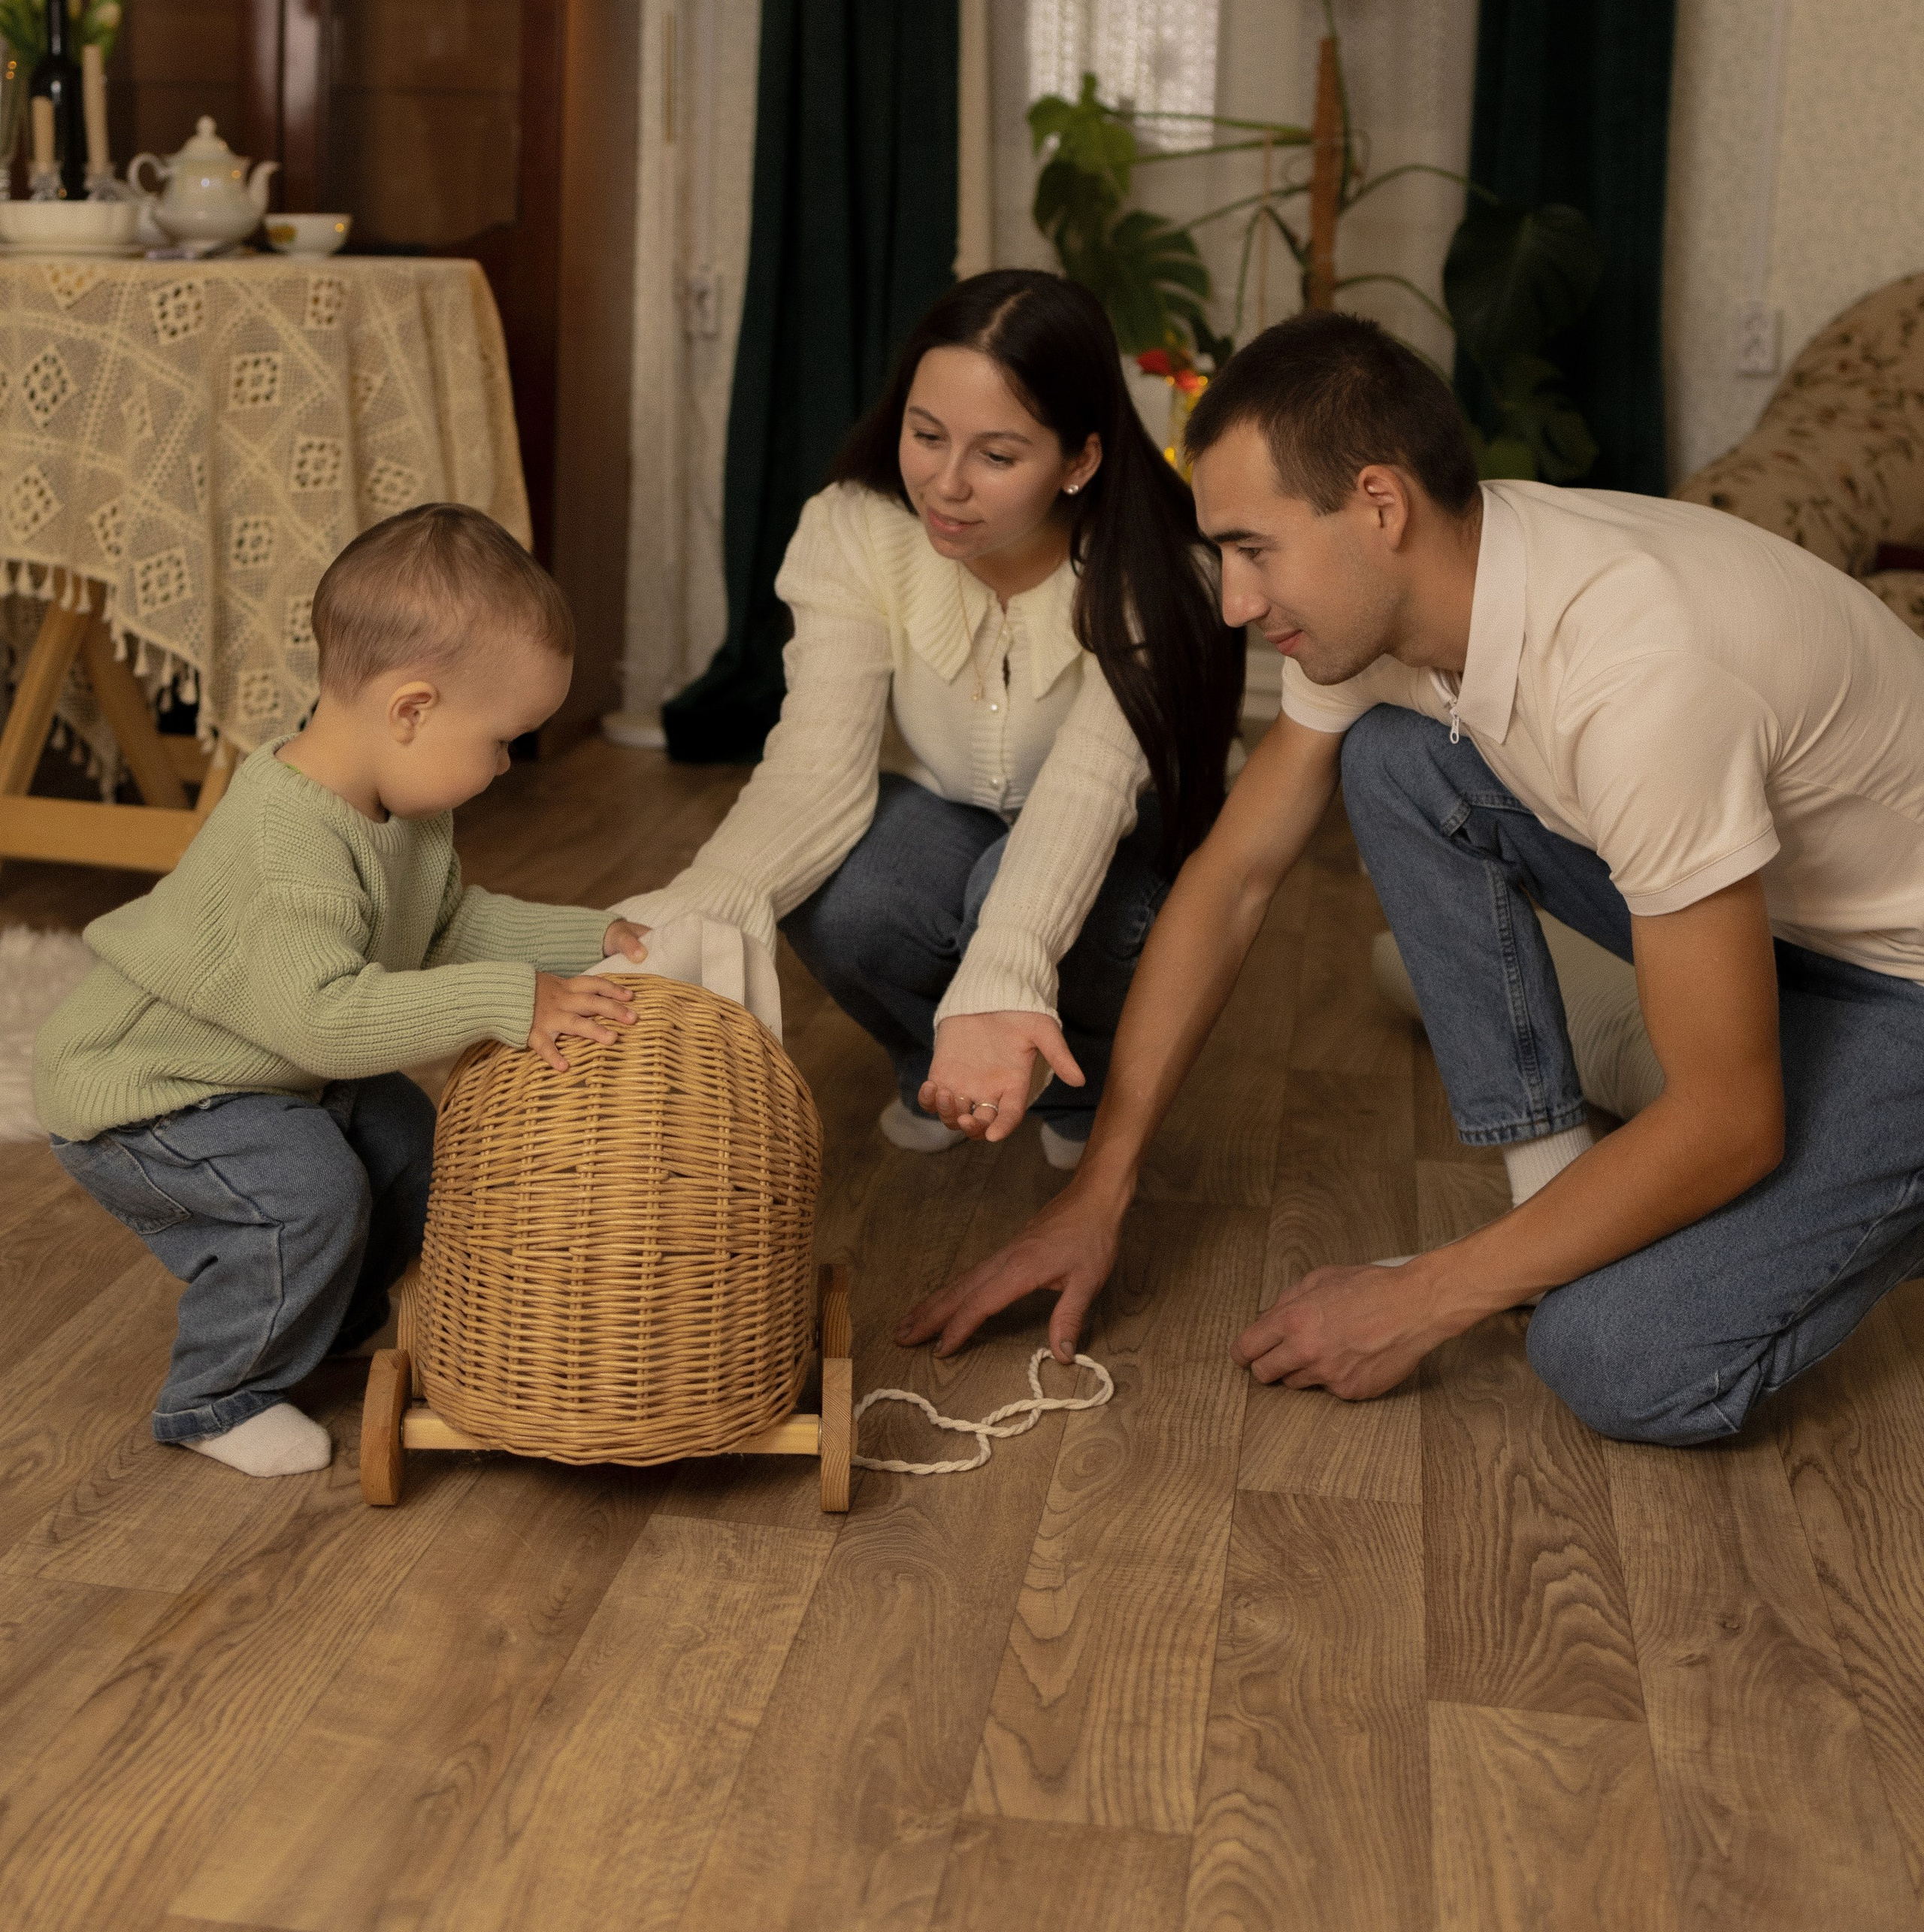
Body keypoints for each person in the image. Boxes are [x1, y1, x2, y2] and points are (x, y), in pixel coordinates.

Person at [901, 310, 1924, 1448]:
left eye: (1254, 549)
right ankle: (1553, 1191)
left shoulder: (1642, 675)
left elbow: (1731, 1121)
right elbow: (1234, 877)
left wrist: (1426, 1295)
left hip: (1903, 986)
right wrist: (1098, 1190)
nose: (1235, 603)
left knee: (1615, 1358)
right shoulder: (1419, 594)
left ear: (1380, 505)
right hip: (1778, 925)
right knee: (1394, 760)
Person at [36, 505, 646, 1479]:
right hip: (152, 1091)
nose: (500, 768)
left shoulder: (405, 814)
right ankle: (215, 1394)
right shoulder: (292, 848)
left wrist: (591, 940)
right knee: (303, 1194)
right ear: (411, 710)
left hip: (263, 1065)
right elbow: (324, 1019)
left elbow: (444, 929)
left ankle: (328, 1326)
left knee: (406, 1137)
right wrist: (504, 1001)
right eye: (502, 741)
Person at [645, 269, 1244, 1163]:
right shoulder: (854, 525)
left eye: (996, 457)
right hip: (964, 823)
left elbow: (1083, 793)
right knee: (842, 887)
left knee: (1010, 881)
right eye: (926, 436)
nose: (946, 484)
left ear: (1080, 461)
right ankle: (940, 1065)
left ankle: (1084, 1086)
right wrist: (686, 920)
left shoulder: (1161, 569)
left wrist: (1002, 973)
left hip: (1128, 852)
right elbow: (814, 767)